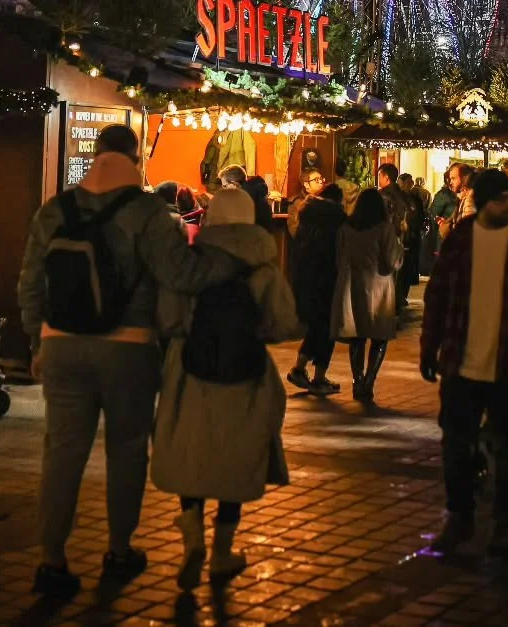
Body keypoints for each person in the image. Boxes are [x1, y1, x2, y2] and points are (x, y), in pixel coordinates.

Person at [17, 124, 239, 599]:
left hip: (62, 347)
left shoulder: (55, 211)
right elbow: (180, 273)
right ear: (134, 158)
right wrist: (236, 258)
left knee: (62, 452)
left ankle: (51, 559)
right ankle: (119, 548)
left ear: (96, 155)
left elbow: (31, 283)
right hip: (129, 348)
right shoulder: (147, 213)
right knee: (127, 450)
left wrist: (37, 341)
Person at [153, 188, 300, 590]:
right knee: (235, 461)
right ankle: (221, 552)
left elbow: (168, 318)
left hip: (190, 373)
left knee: (192, 456)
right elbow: (283, 324)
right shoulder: (263, 266)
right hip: (246, 375)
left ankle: (193, 541)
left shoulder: (191, 265)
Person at [421, 170, 508, 553]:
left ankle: (506, 525)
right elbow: (437, 295)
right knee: (456, 444)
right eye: (507, 198)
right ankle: (460, 517)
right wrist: (429, 346)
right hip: (461, 361)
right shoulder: (462, 240)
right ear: (487, 202)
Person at [331, 189, 402, 403]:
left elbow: (338, 257)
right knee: (379, 337)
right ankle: (369, 381)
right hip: (379, 287)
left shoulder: (345, 228)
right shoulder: (384, 228)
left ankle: (357, 380)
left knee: (357, 336)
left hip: (351, 285)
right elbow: (393, 261)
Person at [286, 183, 346, 395]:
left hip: (305, 278)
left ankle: (300, 368)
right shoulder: (336, 219)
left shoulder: (307, 215)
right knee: (327, 328)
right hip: (328, 278)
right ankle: (318, 377)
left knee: (316, 326)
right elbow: (340, 251)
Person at [396, 172, 427, 311]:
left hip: (412, 237)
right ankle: (400, 296)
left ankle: (402, 295)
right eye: (407, 182)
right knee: (403, 268)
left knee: (407, 268)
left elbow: (420, 216)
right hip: (406, 237)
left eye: (411, 182)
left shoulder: (415, 199)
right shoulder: (401, 198)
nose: (410, 184)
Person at [285, 168, 327, 240]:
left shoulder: (325, 201)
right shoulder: (297, 202)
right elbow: (295, 232)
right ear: (306, 184)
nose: (320, 182)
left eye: (321, 179)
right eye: (316, 180)